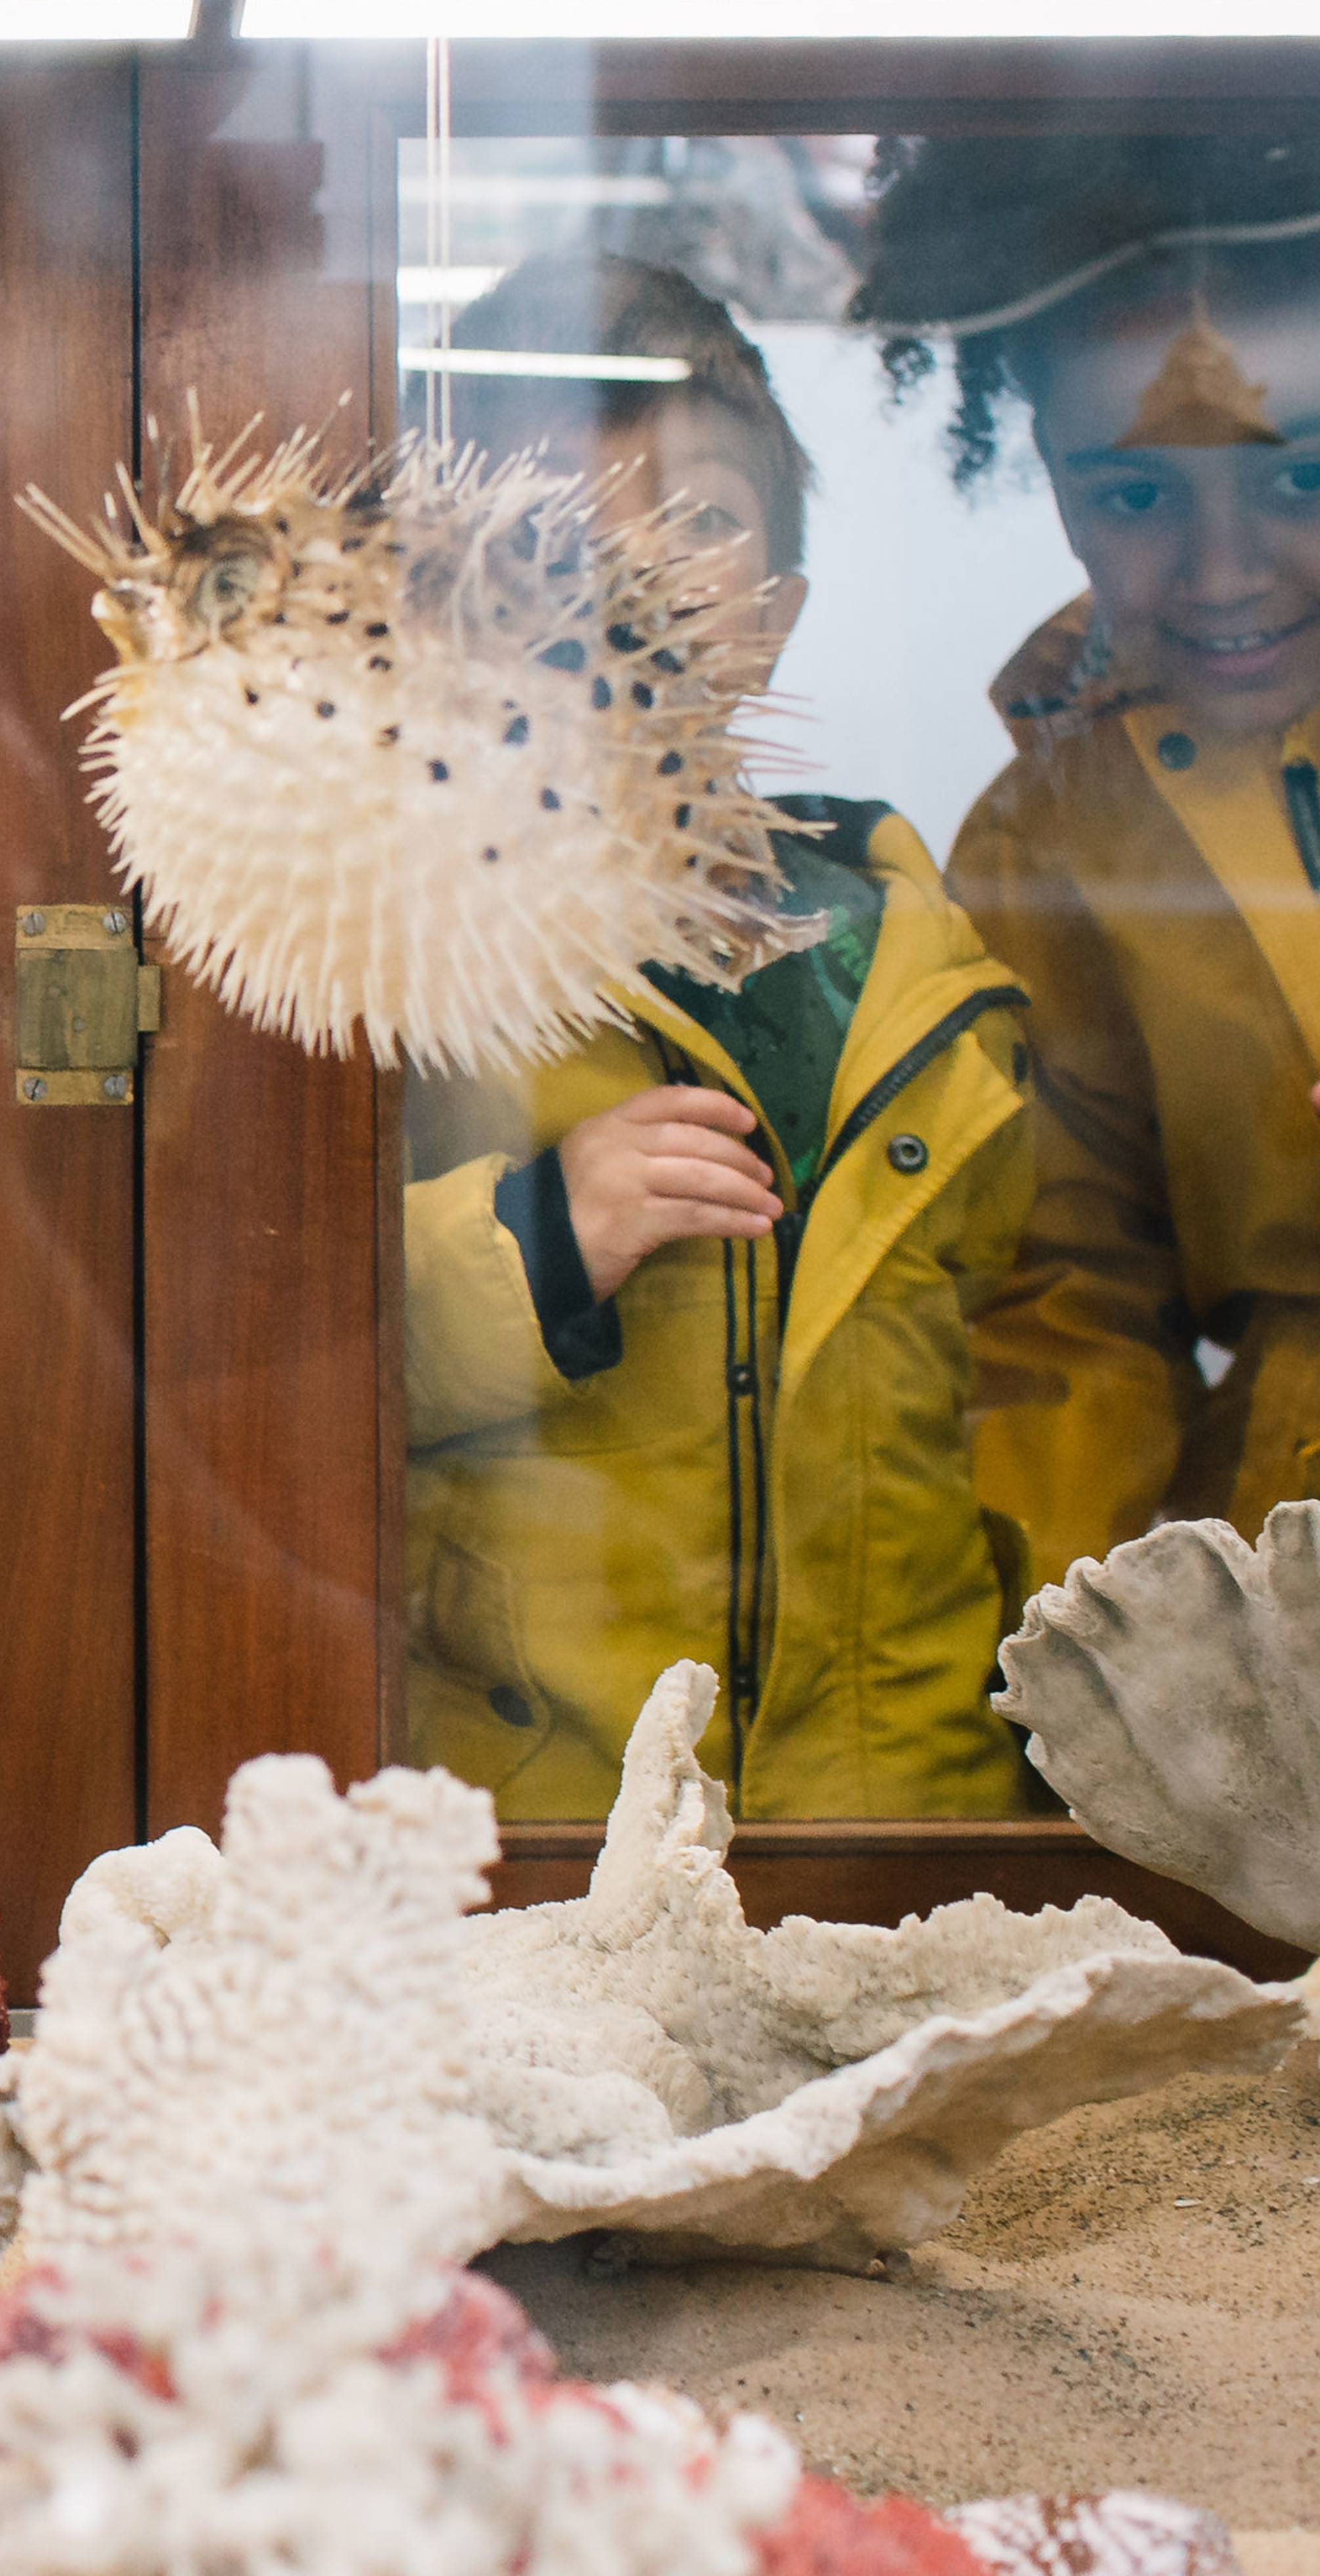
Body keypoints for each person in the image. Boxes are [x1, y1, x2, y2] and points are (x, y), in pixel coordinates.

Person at [401, 252, 1040, 1820]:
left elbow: (1035, 1352)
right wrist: (530, 1238)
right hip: (542, 1824)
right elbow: (246, 1350)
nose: (631, 576)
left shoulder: (915, 957)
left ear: (781, 609)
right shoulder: (384, 938)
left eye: (699, 521)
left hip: (900, 1826)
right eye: (550, 532)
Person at [856, 136, 1320, 1590]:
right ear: (1046, 475)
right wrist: (1069, 1691)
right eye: (1133, 497)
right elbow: (1066, 1313)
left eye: (1305, 473)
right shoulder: (1053, 835)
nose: (1225, 570)